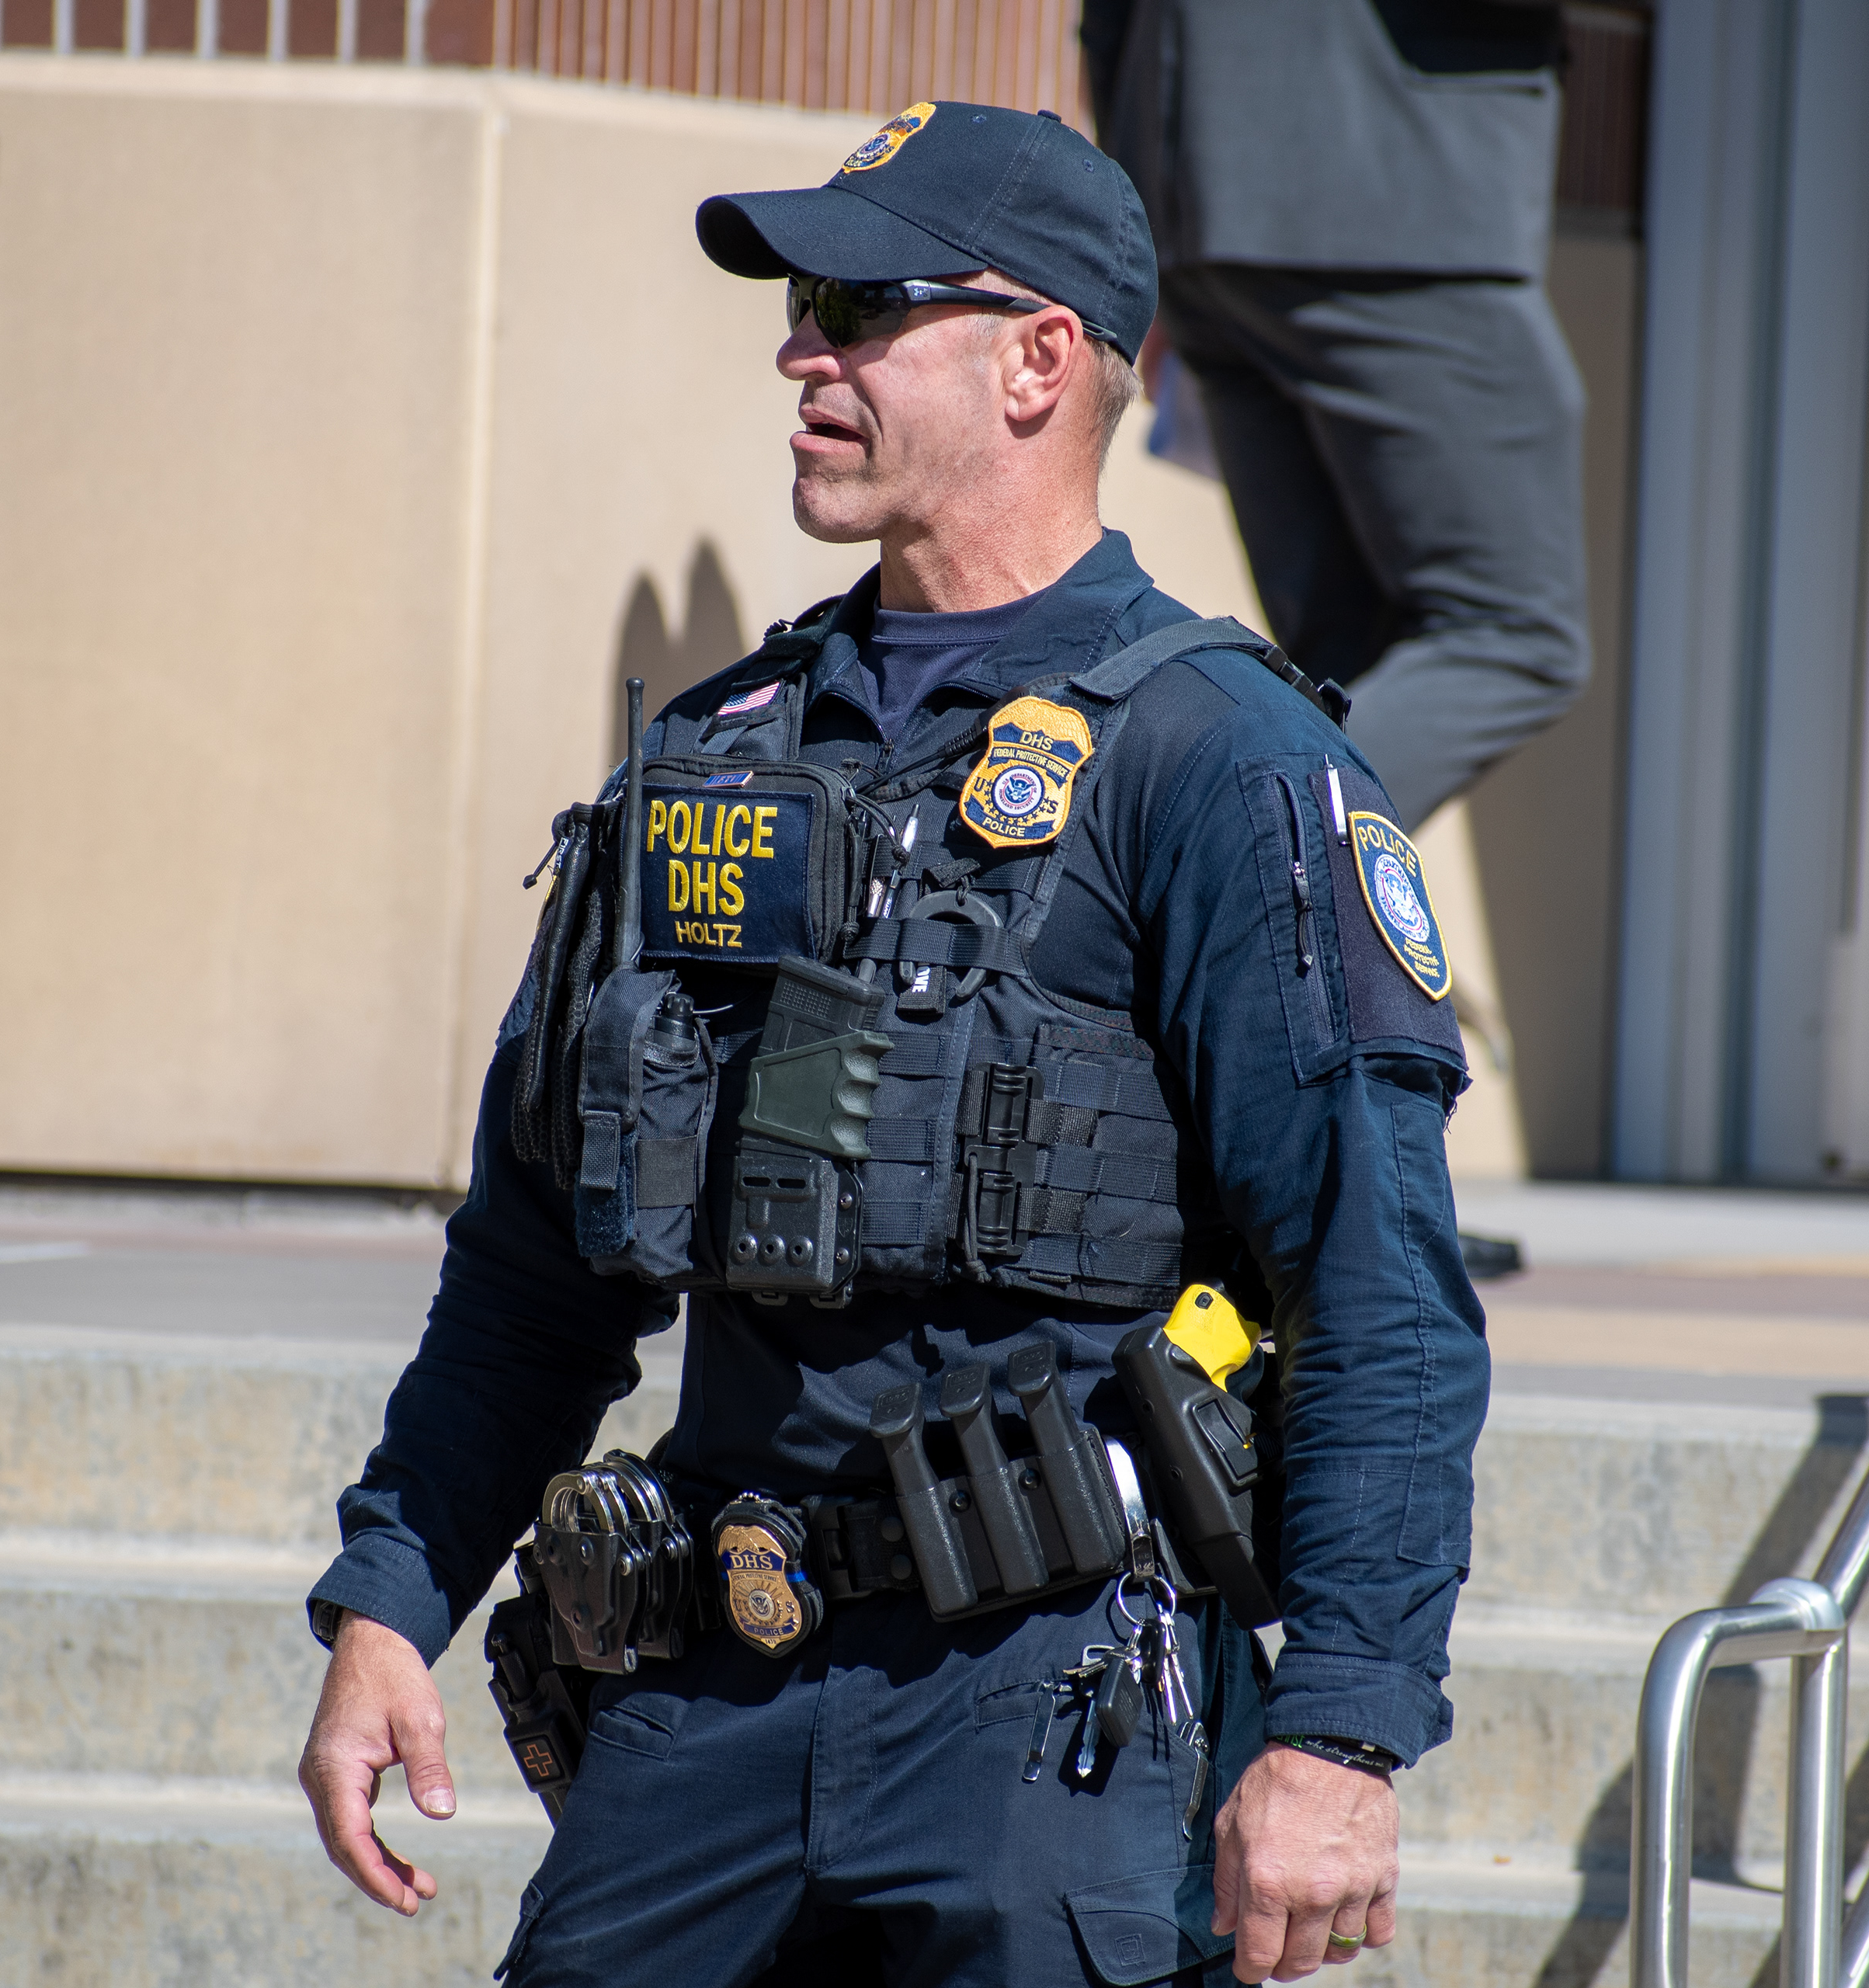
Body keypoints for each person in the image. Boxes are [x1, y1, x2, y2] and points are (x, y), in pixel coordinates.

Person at [295, 100, 1488, 1988]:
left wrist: (1338, 1728)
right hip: (705, 1690)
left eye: (858, 307)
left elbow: (1375, 1288)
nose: (799, 348)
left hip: (1053, 1717)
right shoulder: (713, 756)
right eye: (796, 307)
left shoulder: (1221, 765)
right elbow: (529, 1267)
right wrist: (389, 1598)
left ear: (1037, 360)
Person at [1080, 0, 1592, 829]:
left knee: (1342, 662)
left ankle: (1280, 938)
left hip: (1188, 183)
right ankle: (1191, 873)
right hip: (1402, 182)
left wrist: (1130, 223)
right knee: (1515, 636)